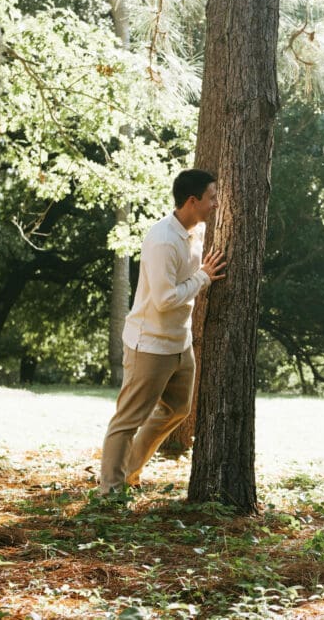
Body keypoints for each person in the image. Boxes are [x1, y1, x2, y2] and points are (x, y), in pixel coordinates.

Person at [98, 169, 226, 495]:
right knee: (127, 420)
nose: (216, 204)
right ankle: (109, 492)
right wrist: (203, 278)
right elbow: (165, 299)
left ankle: (128, 471)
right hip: (150, 344)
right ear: (192, 200)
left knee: (178, 409)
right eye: (211, 197)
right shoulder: (162, 240)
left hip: (180, 343)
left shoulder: (196, 231)